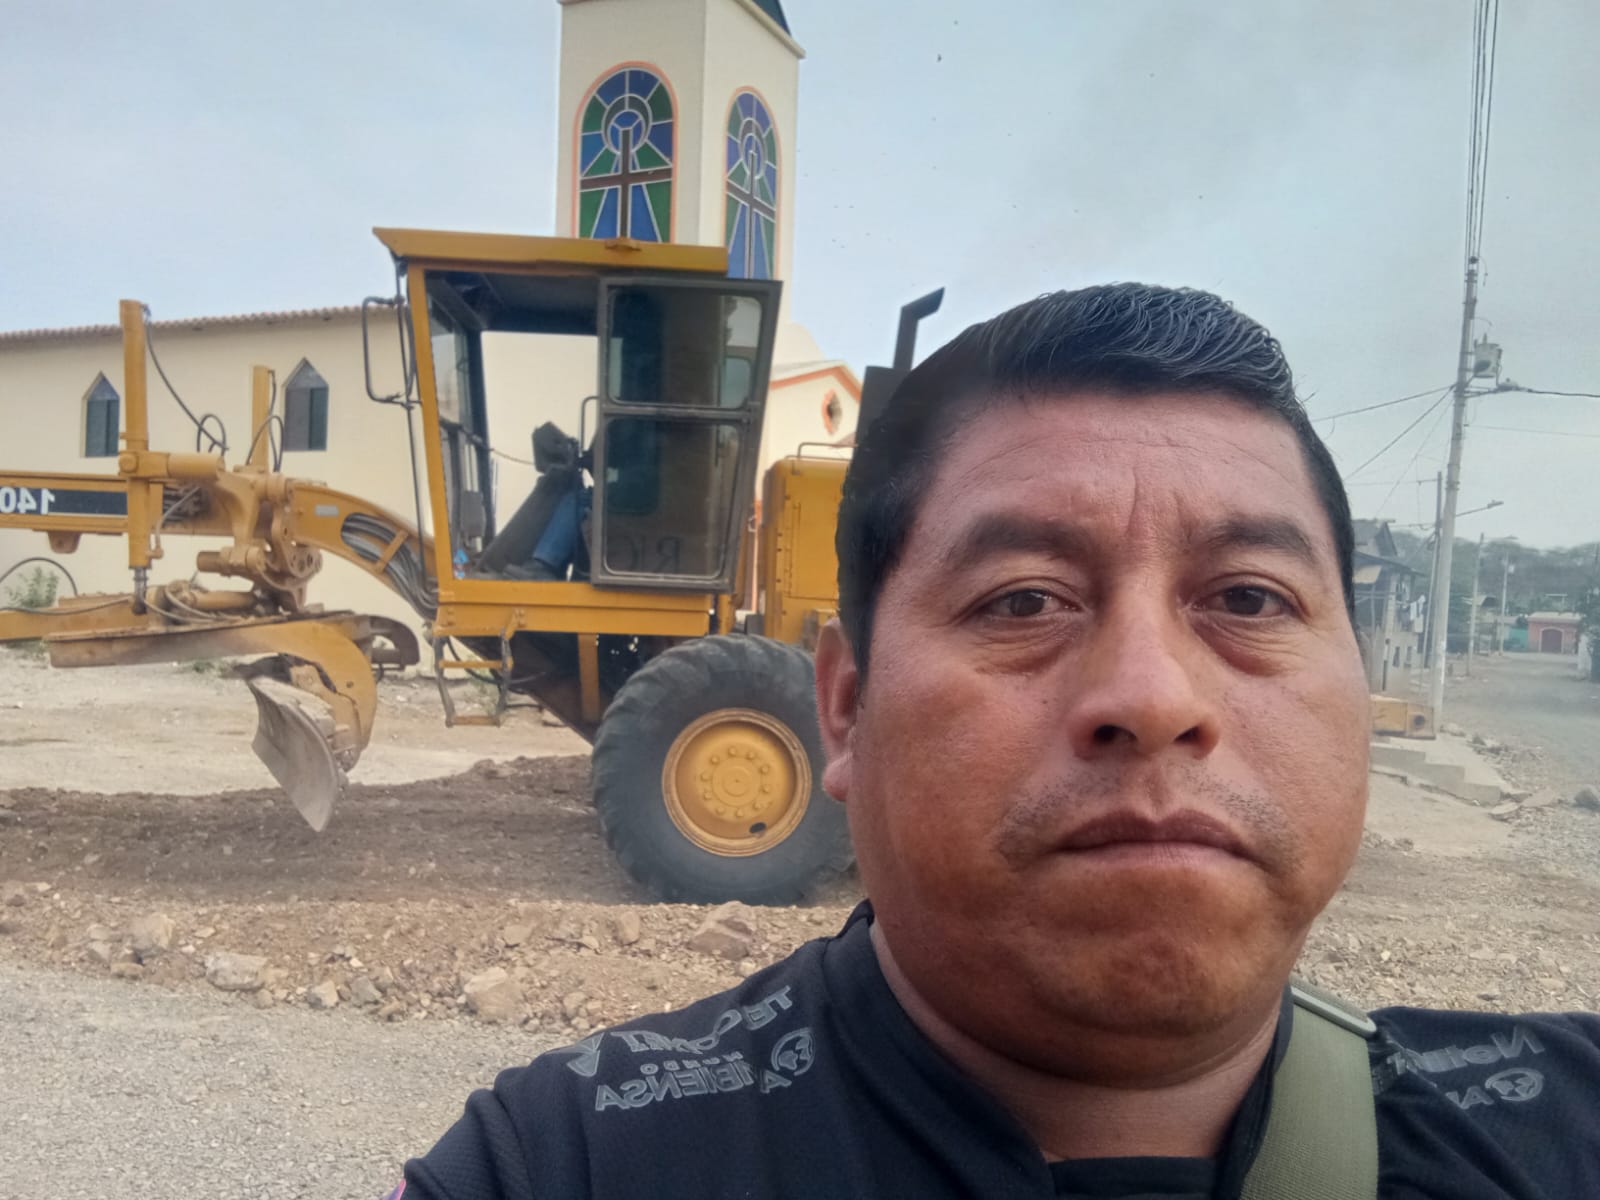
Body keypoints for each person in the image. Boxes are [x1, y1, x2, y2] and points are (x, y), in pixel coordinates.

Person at [391, 285, 1600, 1199]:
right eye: (1023, 600)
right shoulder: (556, 1167)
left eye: (1247, 598)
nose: (1152, 696)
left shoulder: (1563, 1125)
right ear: (845, 706)